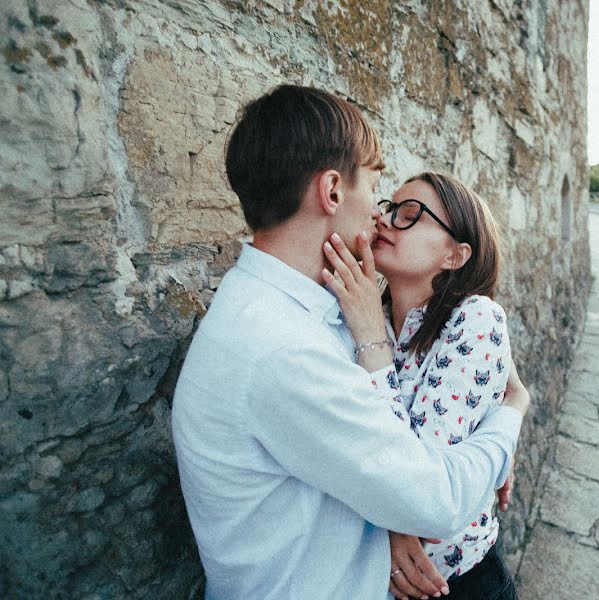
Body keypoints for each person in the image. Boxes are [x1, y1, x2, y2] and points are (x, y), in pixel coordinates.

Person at [171, 85, 530, 599]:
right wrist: (510, 414)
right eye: (377, 186)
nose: (379, 216)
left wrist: (487, 406)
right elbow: (436, 499)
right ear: (333, 192)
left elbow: (387, 439)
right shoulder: (280, 346)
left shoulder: (314, 308)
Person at [324, 173, 518, 599]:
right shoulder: (360, 315)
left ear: (455, 255)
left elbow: (419, 486)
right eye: (391, 208)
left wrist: (371, 340)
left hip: (458, 585)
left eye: (411, 214)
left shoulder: (474, 320)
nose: (386, 218)